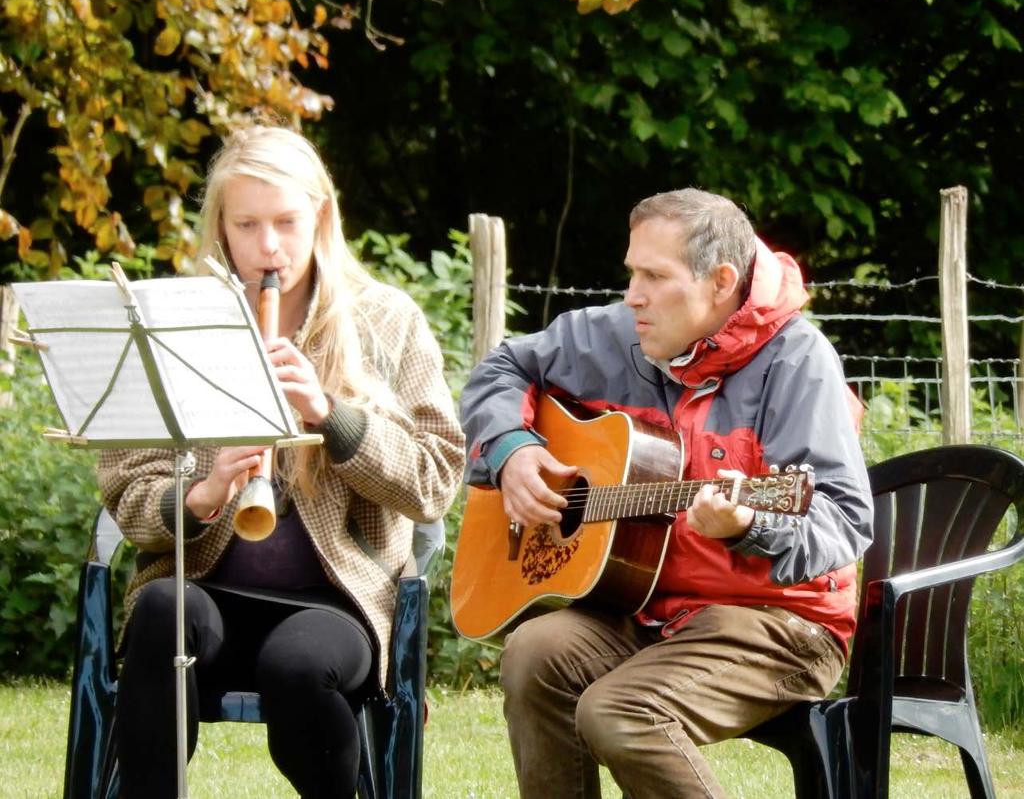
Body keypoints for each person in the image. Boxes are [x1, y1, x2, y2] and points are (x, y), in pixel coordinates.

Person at [459, 188, 873, 798]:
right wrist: (511, 450)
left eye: (655, 276)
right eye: (632, 272)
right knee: (534, 653)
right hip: (647, 607)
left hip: (779, 621)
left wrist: (747, 526)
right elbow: (501, 369)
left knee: (619, 712)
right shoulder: (613, 333)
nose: (632, 295)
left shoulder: (798, 361)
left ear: (721, 281)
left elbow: (842, 517)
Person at [97, 124, 465, 799]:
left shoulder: (387, 322)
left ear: (321, 217)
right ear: (222, 228)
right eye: (248, 224)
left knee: (299, 665)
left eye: (287, 222)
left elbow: (435, 481)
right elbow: (129, 493)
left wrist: (332, 416)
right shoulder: (174, 326)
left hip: (335, 602)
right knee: (159, 614)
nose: (269, 245)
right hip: (203, 584)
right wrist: (204, 491)